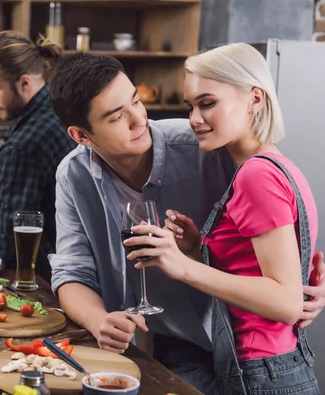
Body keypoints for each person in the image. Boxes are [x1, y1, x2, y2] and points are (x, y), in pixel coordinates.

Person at [48, 53, 325, 394]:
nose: (139, 120)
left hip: (246, 350)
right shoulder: (73, 175)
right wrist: (99, 320)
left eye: (136, 101)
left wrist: (301, 285)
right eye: (118, 116)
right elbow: (72, 272)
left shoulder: (210, 145)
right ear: (81, 135)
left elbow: (280, 208)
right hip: (171, 347)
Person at [125, 43, 320, 393]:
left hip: (261, 374)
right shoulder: (278, 165)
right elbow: (259, 272)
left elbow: (286, 302)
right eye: (190, 106)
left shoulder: (256, 175)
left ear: (255, 99)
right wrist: (198, 248)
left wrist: (181, 265)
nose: (194, 119)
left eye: (208, 103)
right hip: (276, 366)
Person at [0, 30, 76, 281]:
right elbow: (50, 195)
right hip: (76, 263)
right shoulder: (62, 108)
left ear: (24, 83)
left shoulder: (24, 143)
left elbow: (13, 236)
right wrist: (4, 199)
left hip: (43, 276)